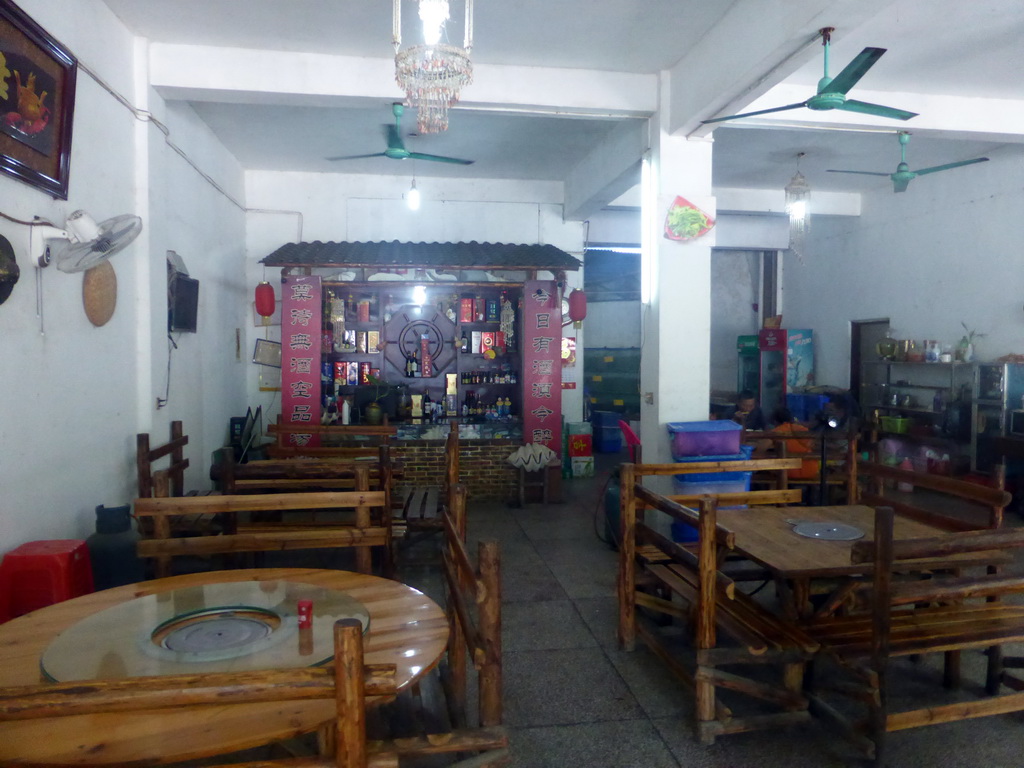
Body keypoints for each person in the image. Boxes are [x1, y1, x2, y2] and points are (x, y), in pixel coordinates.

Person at [772, 407, 819, 479]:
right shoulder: (802, 429)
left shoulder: (777, 431)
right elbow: (813, 445)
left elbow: (763, 447)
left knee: (768, 467)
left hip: (791, 470)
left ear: (775, 421)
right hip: (811, 469)